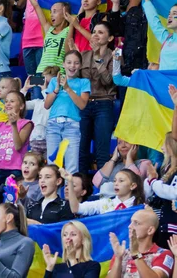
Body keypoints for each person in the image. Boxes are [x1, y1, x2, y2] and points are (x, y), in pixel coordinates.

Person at [78, 22, 116, 173]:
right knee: (82, 150)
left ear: (110, 38)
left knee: (102, 152)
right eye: (94, 32)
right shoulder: (83, 55)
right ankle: (79, 187)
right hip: (84, 104)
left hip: (104, 104)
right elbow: (75, 81)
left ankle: (102, 189)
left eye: (101, 32)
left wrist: (99, 58)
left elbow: (108, 81)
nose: (95, 35)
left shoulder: (114, 55)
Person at [44, 51, 91, 173]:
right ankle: (54, 192)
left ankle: (69, 191)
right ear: (63, 64)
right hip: (53, 124)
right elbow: (46, 105)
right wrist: (56, 89)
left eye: (76, 63)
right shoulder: (55, 80)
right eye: (69, 62)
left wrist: (67, 88)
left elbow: (82, 105)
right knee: (53, 167)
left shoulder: (84, 82)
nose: (72, 66)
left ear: (80, 65)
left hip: (72, 126)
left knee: (71, 167)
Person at [108, 209, 174, 278]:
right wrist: (118, 258)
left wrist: (136, 254)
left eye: (136, 223)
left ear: (150, 230)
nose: (129, 226)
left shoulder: (163, 254)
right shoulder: (121, 252)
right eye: (131, 222)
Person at [64, 168, 145, 216]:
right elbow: (76, 209)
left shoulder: (141, 207)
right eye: (114, 180)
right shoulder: (105, 203)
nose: (116, 183)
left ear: (133, 186)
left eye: (121, 181)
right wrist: (70, 182)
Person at [141, 0, 177, 70]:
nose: (170, 16)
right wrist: (147, 1)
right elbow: (154, 23)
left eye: (174, 14)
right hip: (163, 81)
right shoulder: (167, 38)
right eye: (169, 13)